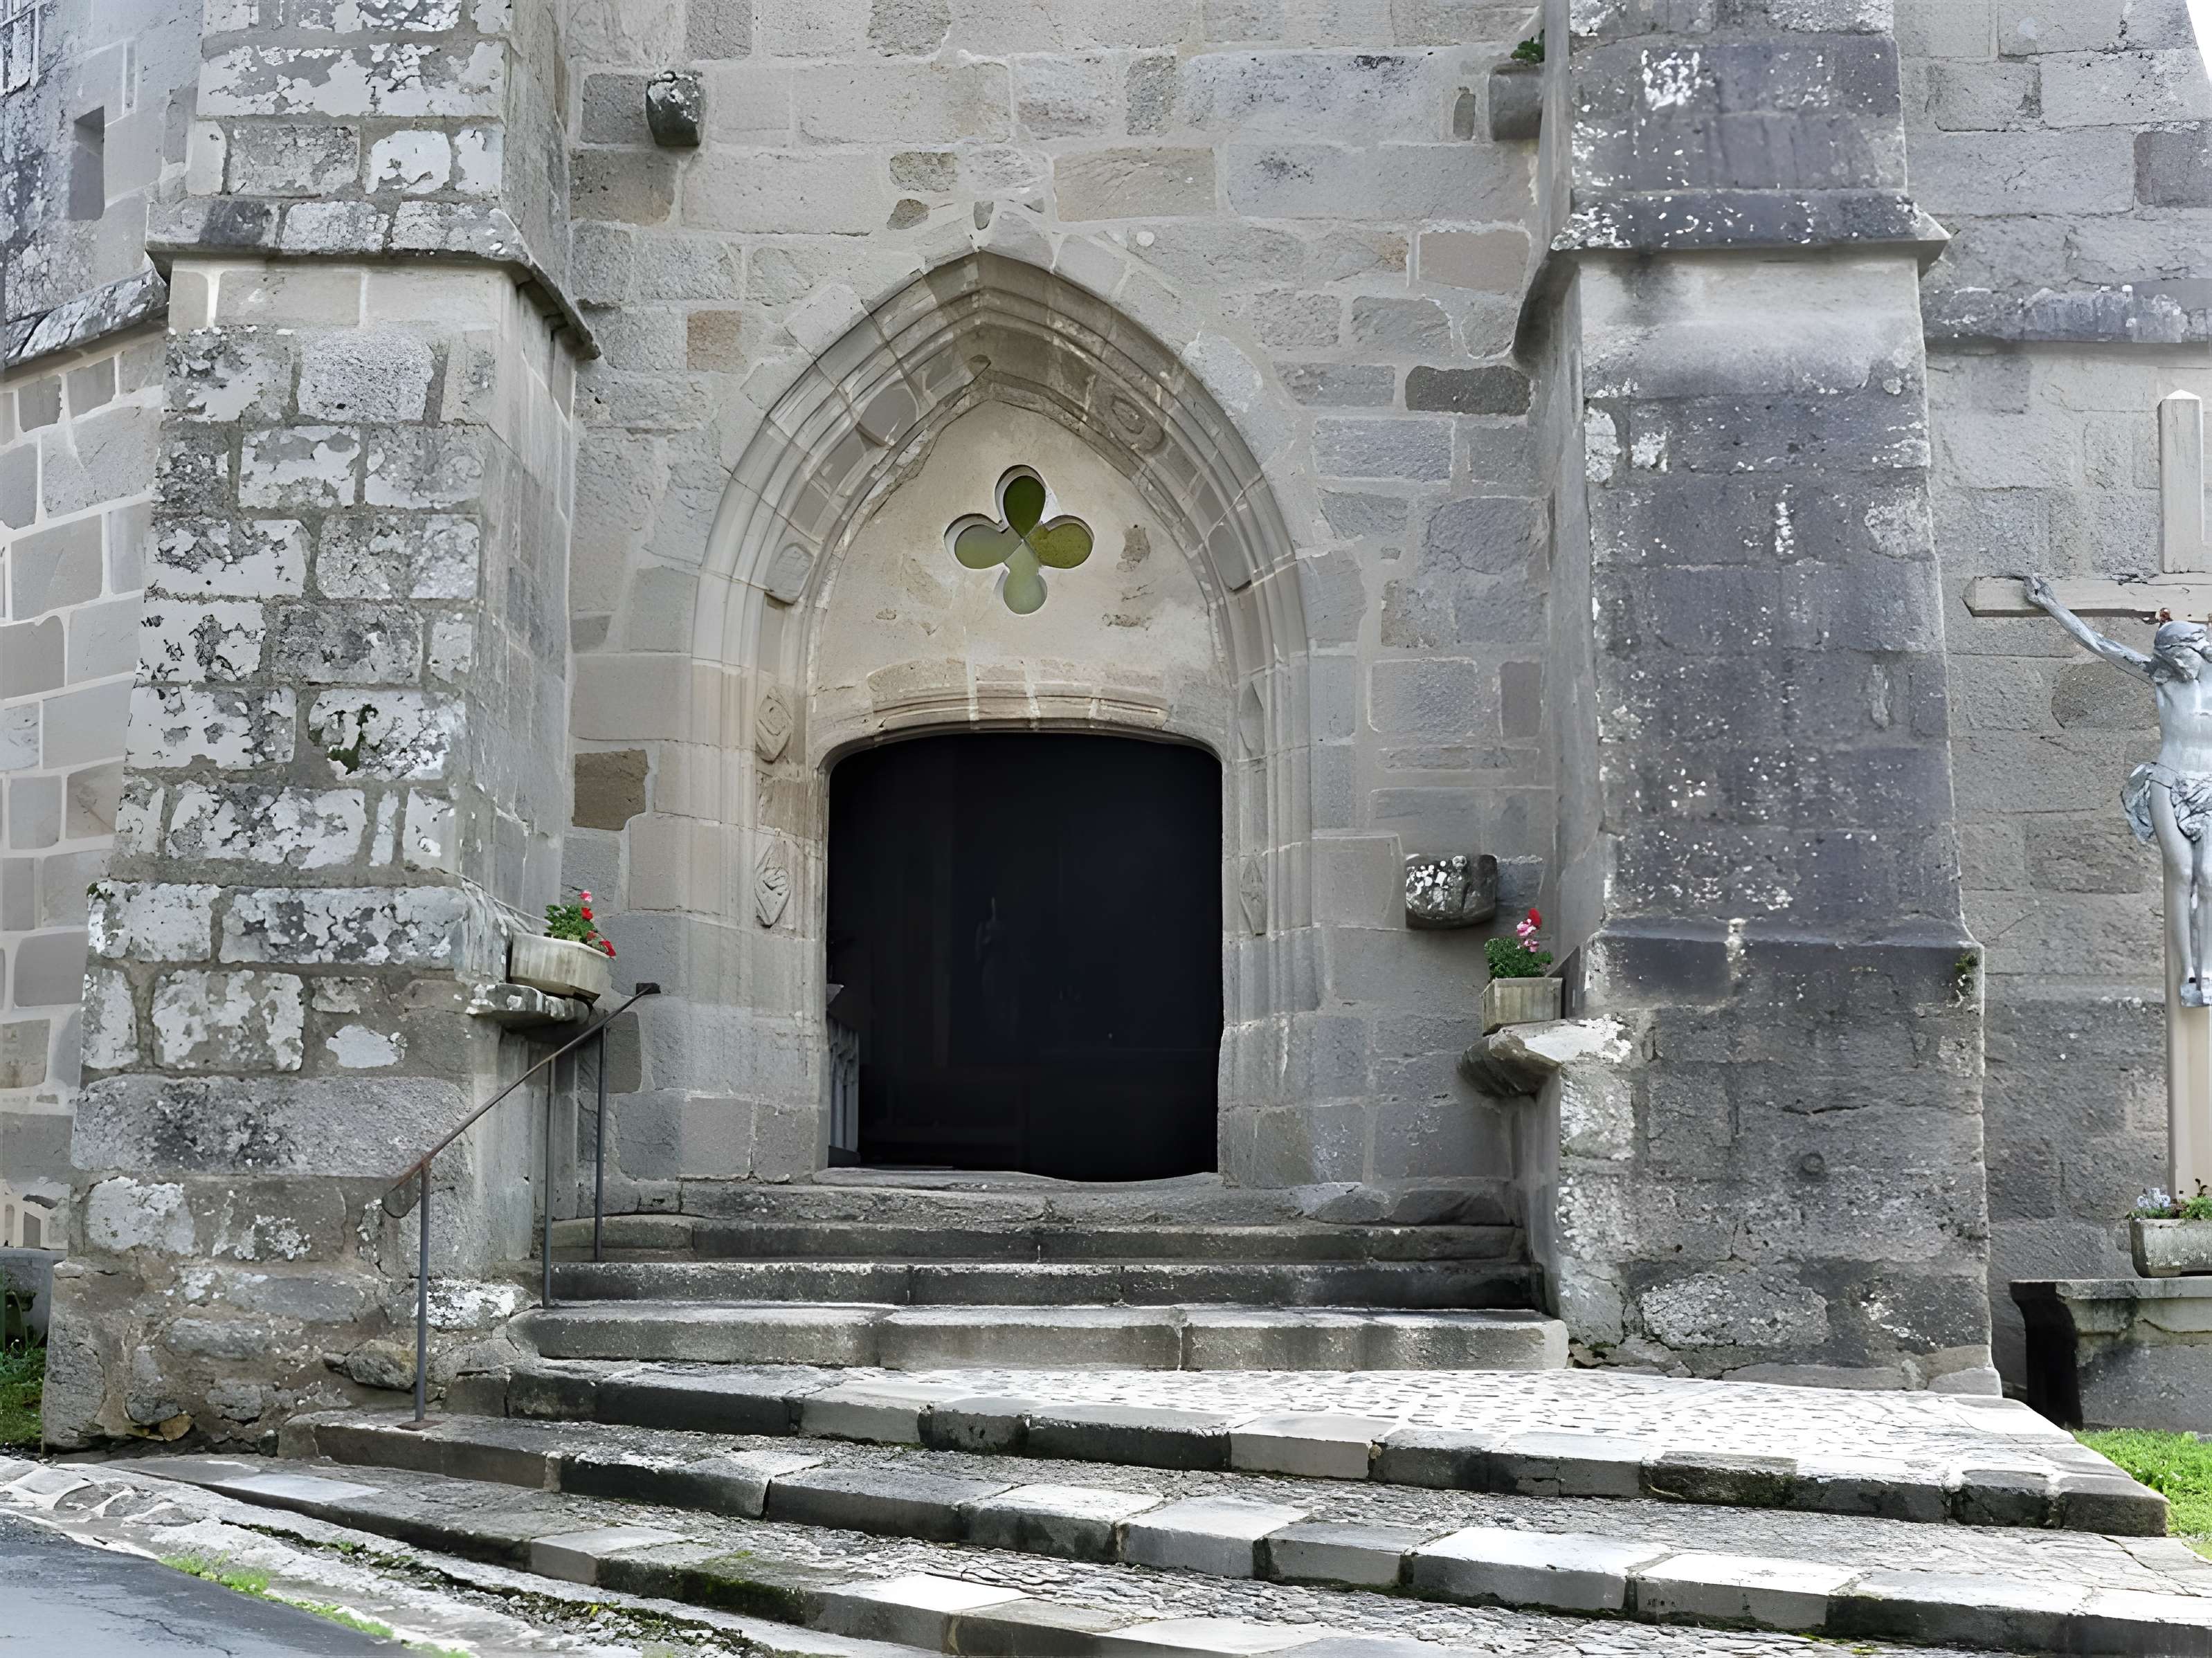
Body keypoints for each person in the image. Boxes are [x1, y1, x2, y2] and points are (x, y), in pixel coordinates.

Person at [2028, 574, 2212, 1004]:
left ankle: (2207, 970)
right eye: (2168, 657)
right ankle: (2188, 972)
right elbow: (2100, 645)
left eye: (2181, 655)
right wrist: (2054, 607)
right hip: (2167, 781)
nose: (2176, 665)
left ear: (2199, 647)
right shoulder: (2161, 678)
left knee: (2208, 878)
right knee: (2182, 874)